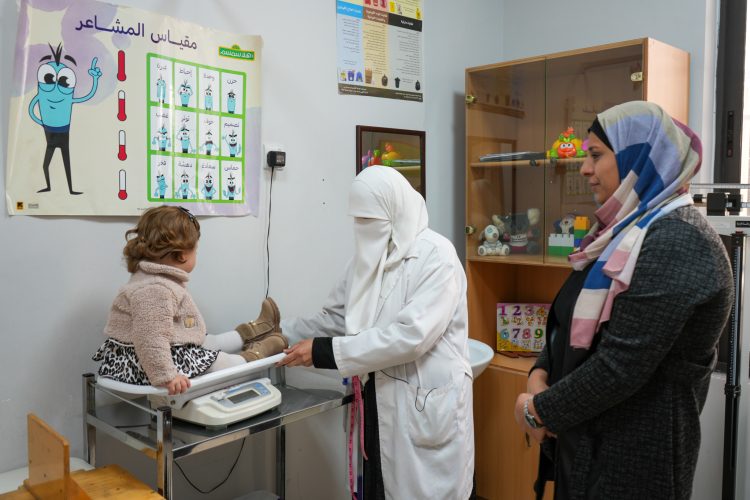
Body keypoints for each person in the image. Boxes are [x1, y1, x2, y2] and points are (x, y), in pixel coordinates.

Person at [513, 100, 734, 500]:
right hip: (588, 442)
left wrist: (539, 409)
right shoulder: (621, 233)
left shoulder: (679, 240)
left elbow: (620, 365)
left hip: (633, 460)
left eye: (595, 155)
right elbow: (566, 318)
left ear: (638, 157)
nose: (584, 169)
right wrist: (538, 373)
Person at [277, 165, 474, 499]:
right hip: (379, 405)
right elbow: (335, 318)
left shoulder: (436, 257)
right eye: (358, 220)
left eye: (370, 220)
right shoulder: (367, 257)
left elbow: (410, 337)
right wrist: (279, 334)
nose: (362, 229)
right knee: (380, 485)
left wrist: (323, 351)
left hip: (424, 407)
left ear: (396, 212)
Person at [93, 206, 287, 395]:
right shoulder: (155, 290)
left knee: (205, 340)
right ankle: (259, 351)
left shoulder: (151, 279)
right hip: (146, 366)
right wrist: (167, 376)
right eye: (196, 250)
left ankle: (258, 329)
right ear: (183, 254)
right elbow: (150, 339)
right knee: (219, 361)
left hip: (151, 356)